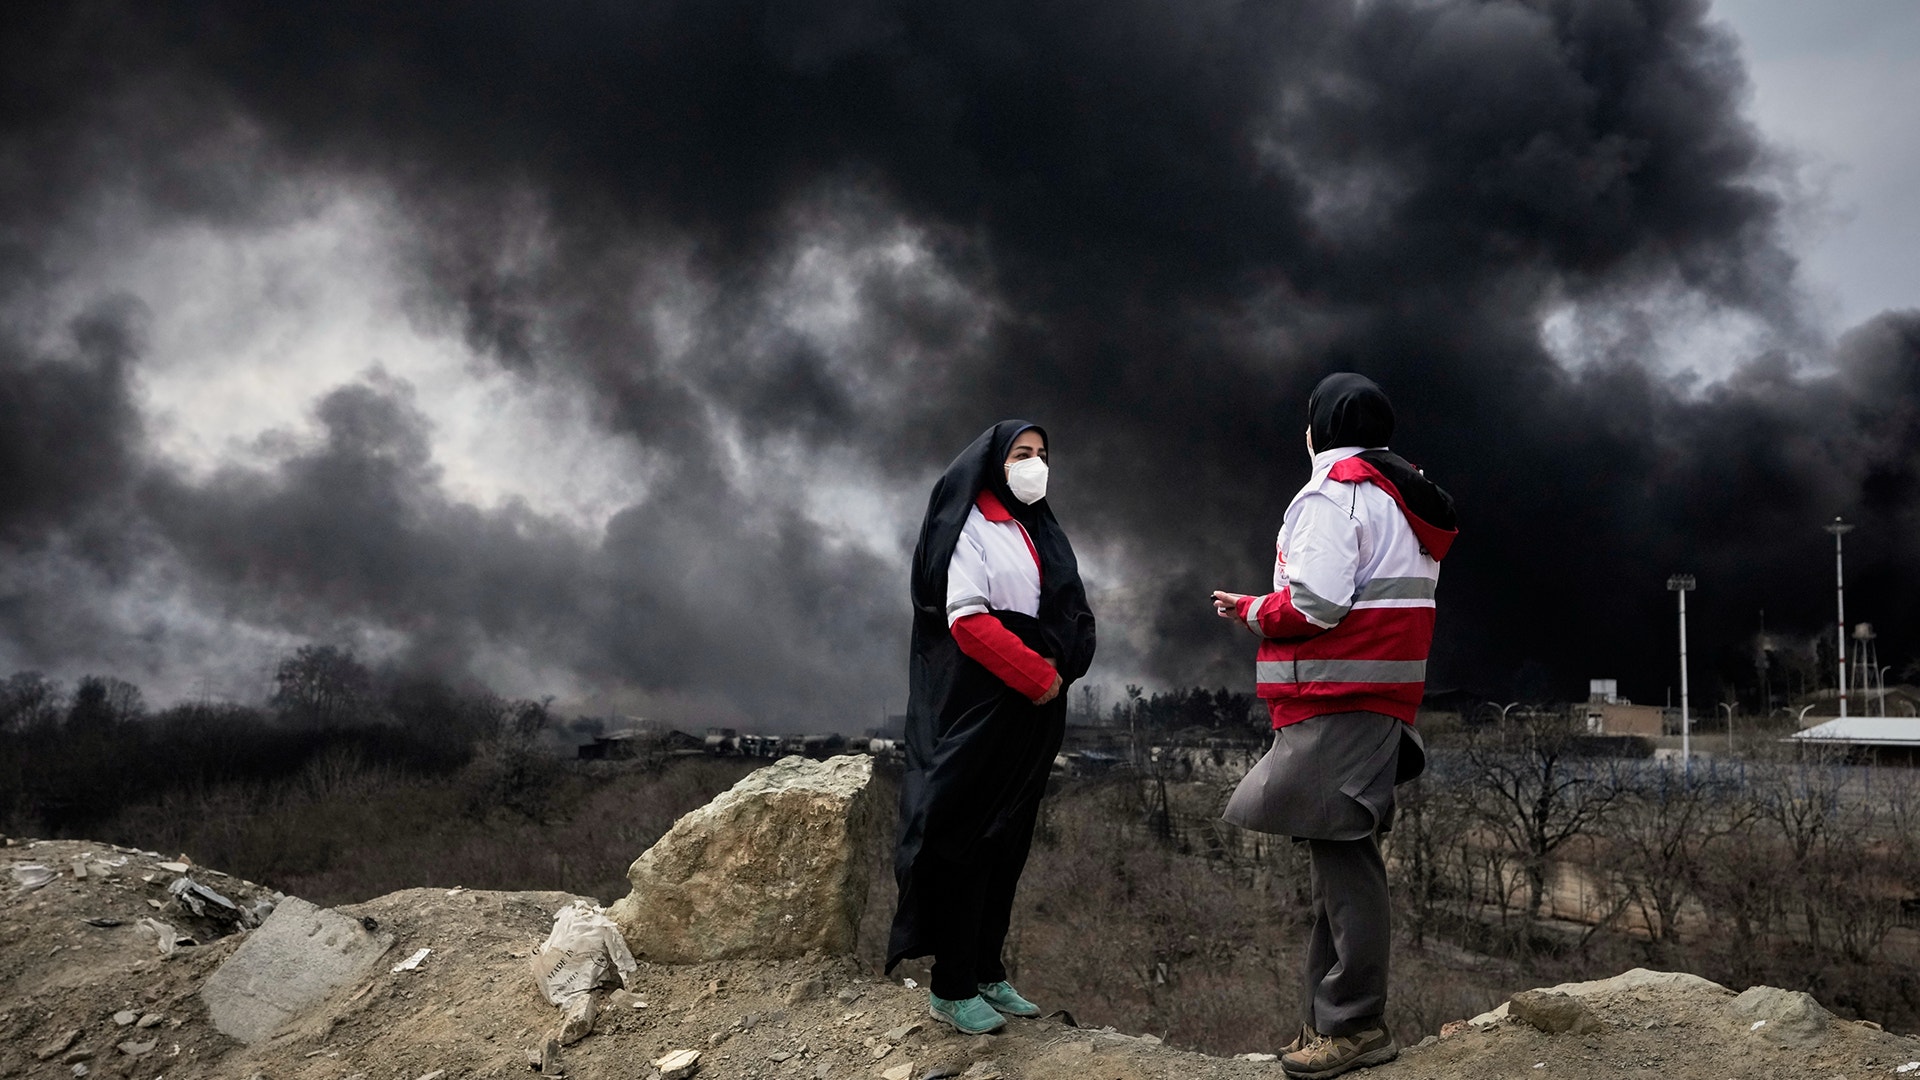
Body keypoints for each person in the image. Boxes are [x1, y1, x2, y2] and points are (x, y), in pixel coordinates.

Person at [1210, 373, 1457, 1080]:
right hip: (1372, 699)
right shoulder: (1400, 492)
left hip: (1338, 699)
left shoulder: (1333, 494)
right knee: (1335, 866)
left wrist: (1254, 610)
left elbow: (1316, 603)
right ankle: (1327, 1021)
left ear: (1318, 427)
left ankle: (1354, 1027)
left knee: (1348, 869)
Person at [887, 420, 1098, 1035]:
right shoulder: (969, 528)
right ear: (992, 463)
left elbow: (1068, 610)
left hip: (1035, 709)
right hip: (984, 705)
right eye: (1021, 454)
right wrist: (1036, 673)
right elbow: (966, 620)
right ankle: (951, 985)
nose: (1034, 464)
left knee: (1009, 839)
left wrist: (1063, 662)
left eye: (1041, 454)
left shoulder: (1040, 528)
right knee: (966, 841)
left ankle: (986, 969)